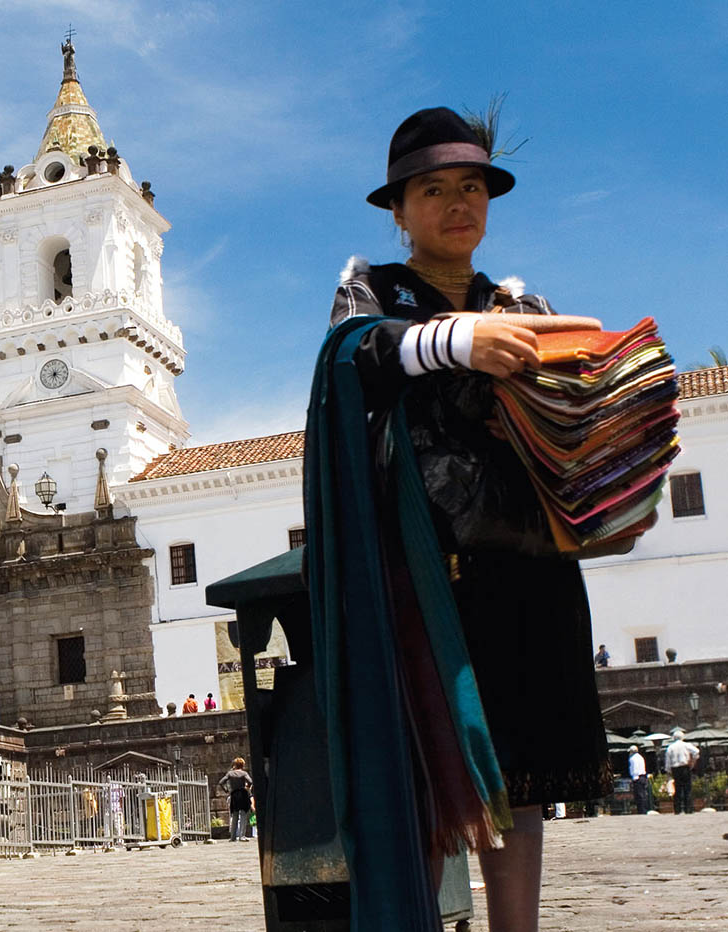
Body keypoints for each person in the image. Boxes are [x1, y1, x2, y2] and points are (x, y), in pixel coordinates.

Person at [316, 106, 626, 931]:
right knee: (430, 773)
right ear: (398, 209)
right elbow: (354, 357)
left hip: (529, 565)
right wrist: (458, 342)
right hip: (428, 575)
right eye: (434, 189)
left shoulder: (526, 303)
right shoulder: (373, 292)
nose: (458, 204)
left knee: (520, 778)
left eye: (472, 187)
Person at [217, 757, 253, 842]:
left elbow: (221, 782)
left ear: (235, 765)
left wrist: (226, 790)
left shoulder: (230, 773)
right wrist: (247, 787)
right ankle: (242, 836)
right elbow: (250, 781)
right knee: (244, 814)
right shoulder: (244, 773)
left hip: (234, 794)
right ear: (242, 765)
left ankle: (233, 837)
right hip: (243, 794)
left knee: (235, 815)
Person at [665, 729, 700, 814]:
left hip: (675, 769)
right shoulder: (686, 745)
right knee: (687, 788)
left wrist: (668, 770)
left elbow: (668, 761)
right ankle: (688, 809)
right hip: (685, 767)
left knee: (677, 789)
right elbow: (696, 751)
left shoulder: (670, 747)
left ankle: (677, 810)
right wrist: (692, 762)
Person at [628, 745, 651, 814]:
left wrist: (634, 778)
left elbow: (634, 769)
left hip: (637, 777)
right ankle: (644, 809)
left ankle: (641, 810)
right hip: (643, 776)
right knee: (643, 794)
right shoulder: (641, 757)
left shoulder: (632, 758)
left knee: (639, 795)